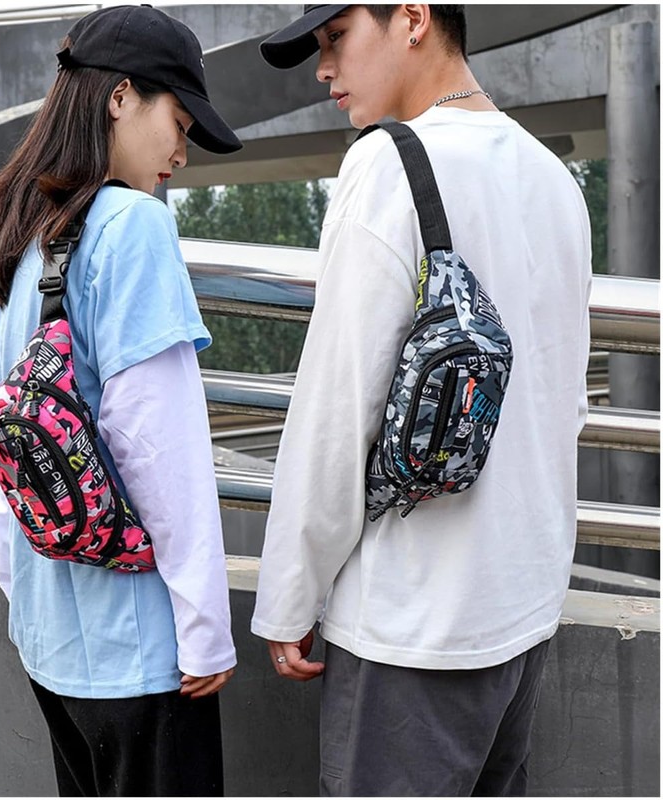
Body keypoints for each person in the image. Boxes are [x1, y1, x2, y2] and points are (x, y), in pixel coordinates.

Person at [251, 5, 592, 797]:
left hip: (414, 623)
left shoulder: (389, 163)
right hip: (522, 609)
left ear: (412, 16)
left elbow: (338, 408)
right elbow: (564, 400)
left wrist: (290, 597)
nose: (323, 68)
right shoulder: (552, 176)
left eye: (337, 38)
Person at [0, 6, 242, 796]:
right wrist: (204, 629)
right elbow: (161, 451)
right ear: (121, 97)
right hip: (144, 650)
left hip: (49, 640)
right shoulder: (132, 228)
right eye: (179, 122)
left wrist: (24, 593)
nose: (181, 152)